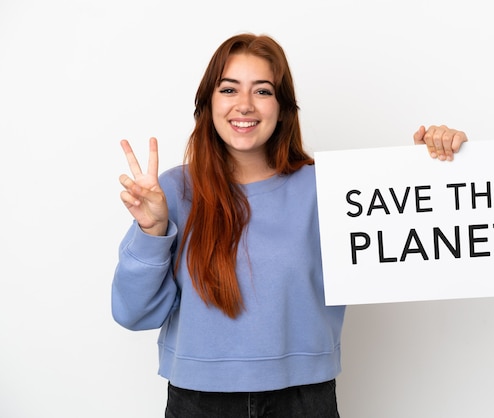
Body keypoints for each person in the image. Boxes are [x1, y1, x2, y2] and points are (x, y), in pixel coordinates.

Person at [112, 33, 468, 417]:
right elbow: (133, 314)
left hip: (303, 399)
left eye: (262, 91)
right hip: (199, 401)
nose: (244, 105)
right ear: (209, 102)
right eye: (229, 89)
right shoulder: (173, 191)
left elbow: (400, 236)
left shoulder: (327, 187)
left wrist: (433, 169)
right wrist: (153, 232)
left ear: (282, 108)